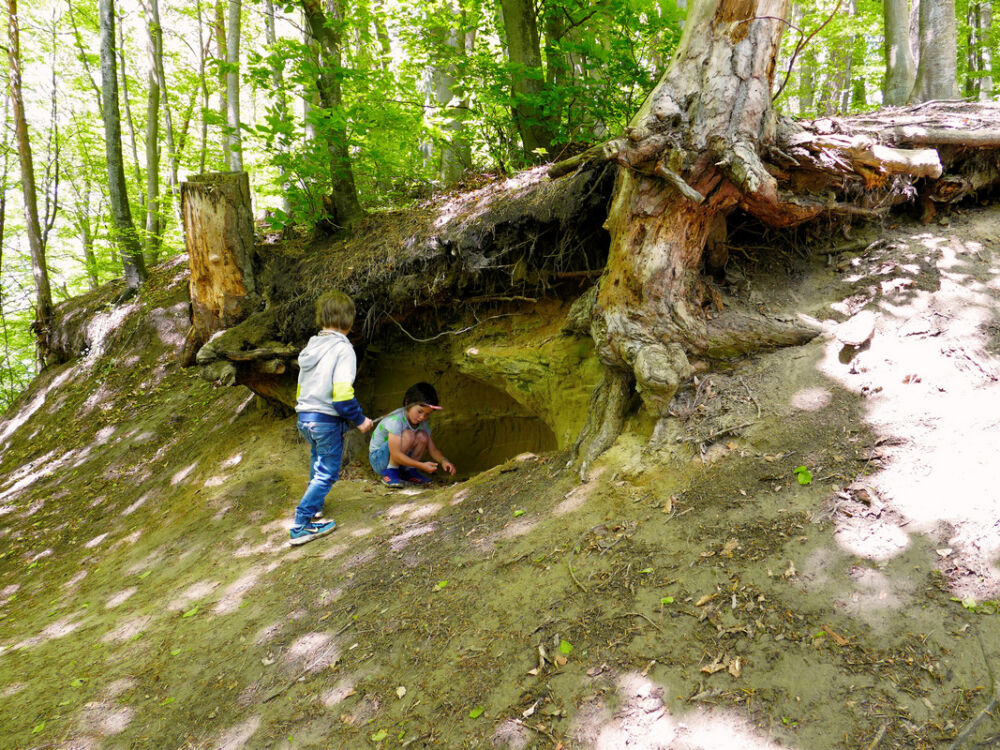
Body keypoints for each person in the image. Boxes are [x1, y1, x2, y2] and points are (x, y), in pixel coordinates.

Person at [289, 290, 373, 545]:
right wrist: (360, 420)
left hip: (305, 415)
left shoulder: (312, 346)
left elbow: (304, 386)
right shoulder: (343, 350)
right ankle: (301, 524)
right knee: (328, 472)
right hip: (325, 419)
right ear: (348, 321)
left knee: (317, 461)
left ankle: (314, 507)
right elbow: (342, 396)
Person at [368, 382, 456, 488]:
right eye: (420, 411)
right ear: (407, 402)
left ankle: (408, 472)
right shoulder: (396, 420)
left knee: (423, 436)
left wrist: (444, 461)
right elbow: (395, 454)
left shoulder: (422, 422)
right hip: (379, 460)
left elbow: (433, 449)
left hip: (397, 456)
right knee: (409, 435)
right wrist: (421, 465)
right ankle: (390, 473)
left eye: (427, 414)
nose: (422, 417)